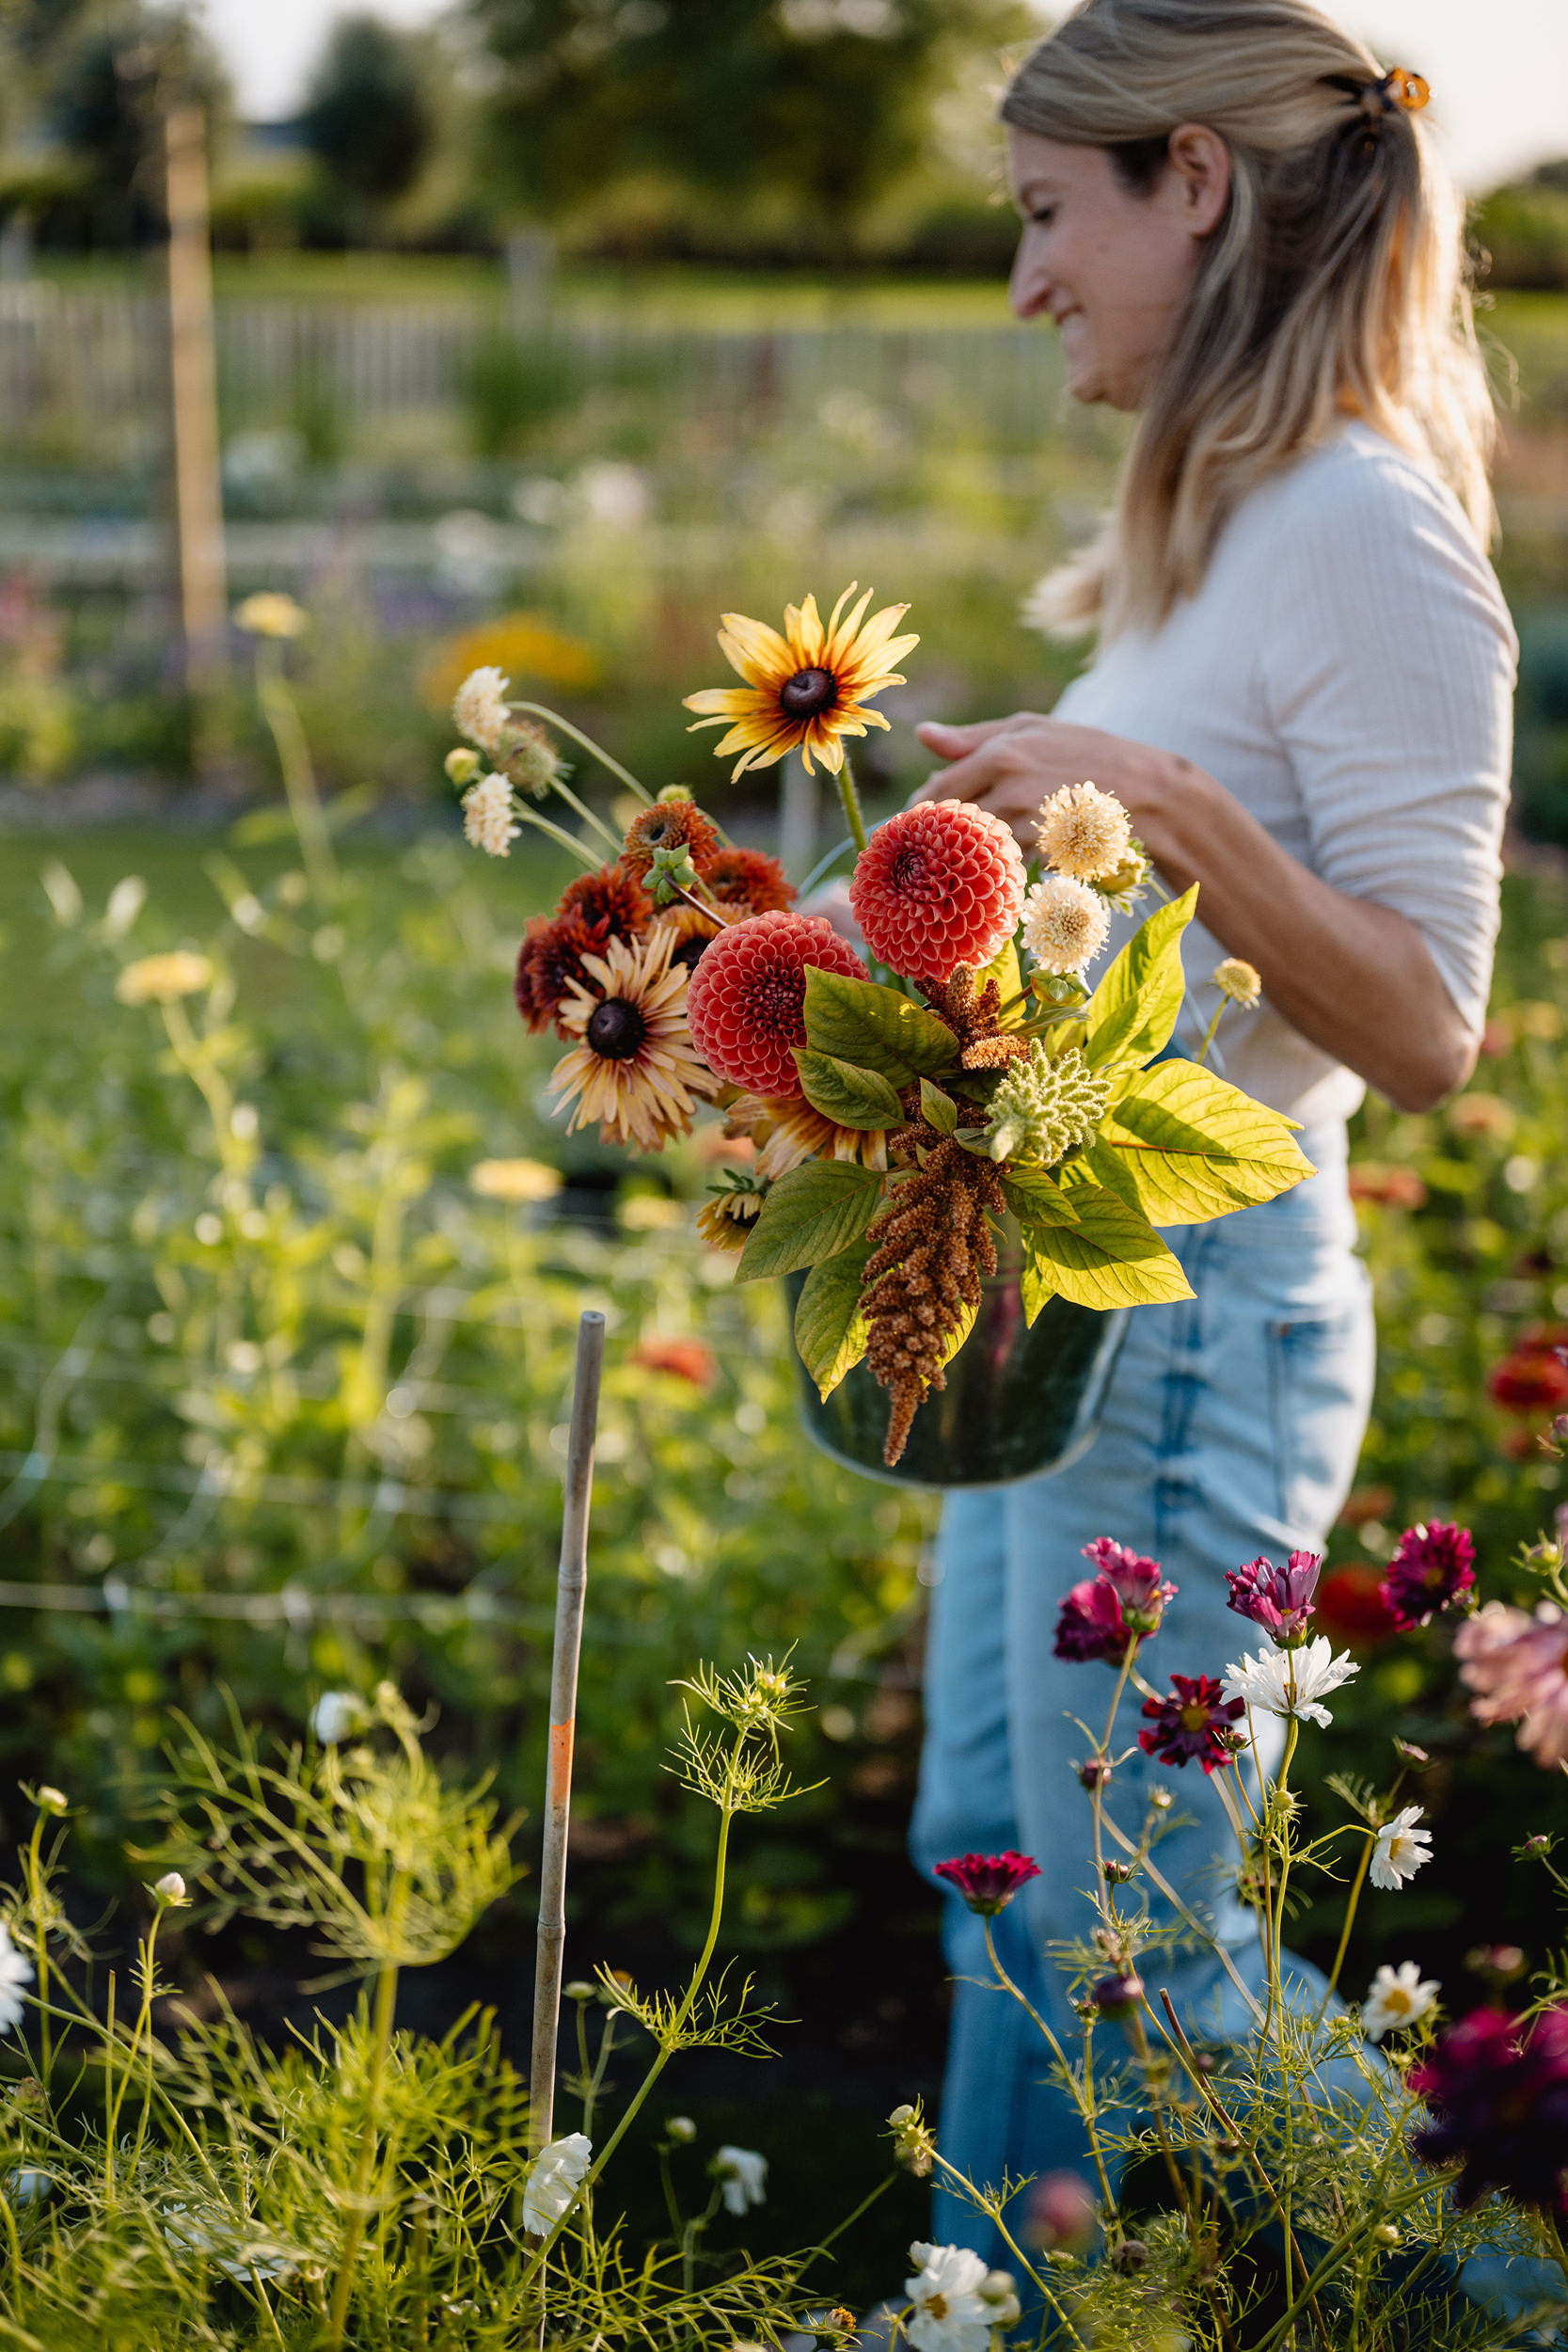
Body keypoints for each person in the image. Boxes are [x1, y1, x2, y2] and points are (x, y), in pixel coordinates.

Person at [905, 0, 1518, 2290]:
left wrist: (1163, 805)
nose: (1027, 282)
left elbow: (1426, 1022)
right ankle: (982, 2310)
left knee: (1149, 1954)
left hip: (1200, 1317)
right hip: (1066, 1301)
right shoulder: (1226, 512)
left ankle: (1520, 2292)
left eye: (1050, 215)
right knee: (1001, 1860)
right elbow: (1167, 928)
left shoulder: (1368, 523)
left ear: (1197, 179)